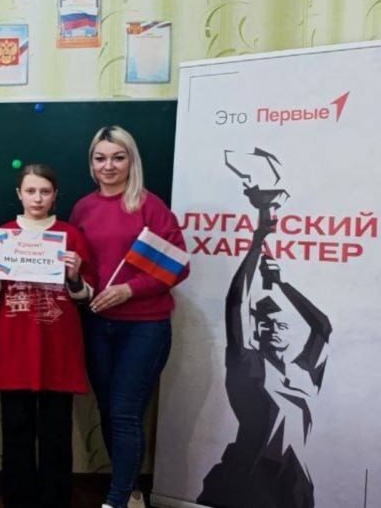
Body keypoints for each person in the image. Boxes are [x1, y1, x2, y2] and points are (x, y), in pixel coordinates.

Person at [197, 149, 330, 508]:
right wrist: (260, 235)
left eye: (277, 322)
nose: (269, 328)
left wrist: (283, 285)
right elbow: (237, 303)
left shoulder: (304, 375)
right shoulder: (251, 368)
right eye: (262, 324)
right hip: (247, 479)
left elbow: (322, 326)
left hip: (292, 484)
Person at [69, 126, 189, 508]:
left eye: (118, 158)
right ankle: (133, 492)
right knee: (109, 410)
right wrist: (80, 284)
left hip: (144, 326)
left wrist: (129, 290)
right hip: (96, 323)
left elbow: (178, 266)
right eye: (100, 158)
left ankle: (117, 499)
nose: (109, 166)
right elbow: (84, 265)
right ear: (91, 163)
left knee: (124, 411)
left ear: (131, 160)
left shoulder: (150, 206)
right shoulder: (83, 208)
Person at [0, 165, 95, 508]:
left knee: (56, 430)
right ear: (19, 194)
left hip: (59, 345)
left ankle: (55, 499)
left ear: (55, 195)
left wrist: (74, 276)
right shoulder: (4, 234)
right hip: (17, 343)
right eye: (31, 191)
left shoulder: (71, 235)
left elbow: (85, 295)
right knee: (16, 428)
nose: (38, 198)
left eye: (45, 191)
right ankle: (18, 498)